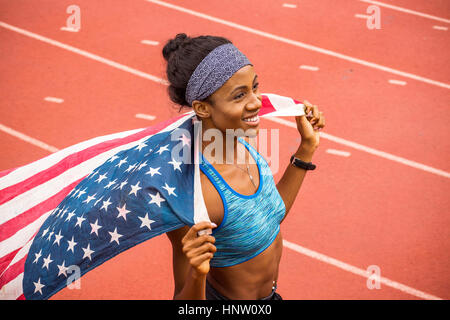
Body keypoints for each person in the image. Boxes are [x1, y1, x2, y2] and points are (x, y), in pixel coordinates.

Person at [163, 33, 325, 300]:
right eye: (239, 96)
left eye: (255, 87)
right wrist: (197, 273)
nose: (256, 102)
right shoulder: (196, 194)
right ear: (202, 108)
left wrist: (306, 148)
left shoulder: (241, 142)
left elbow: (267, 217)